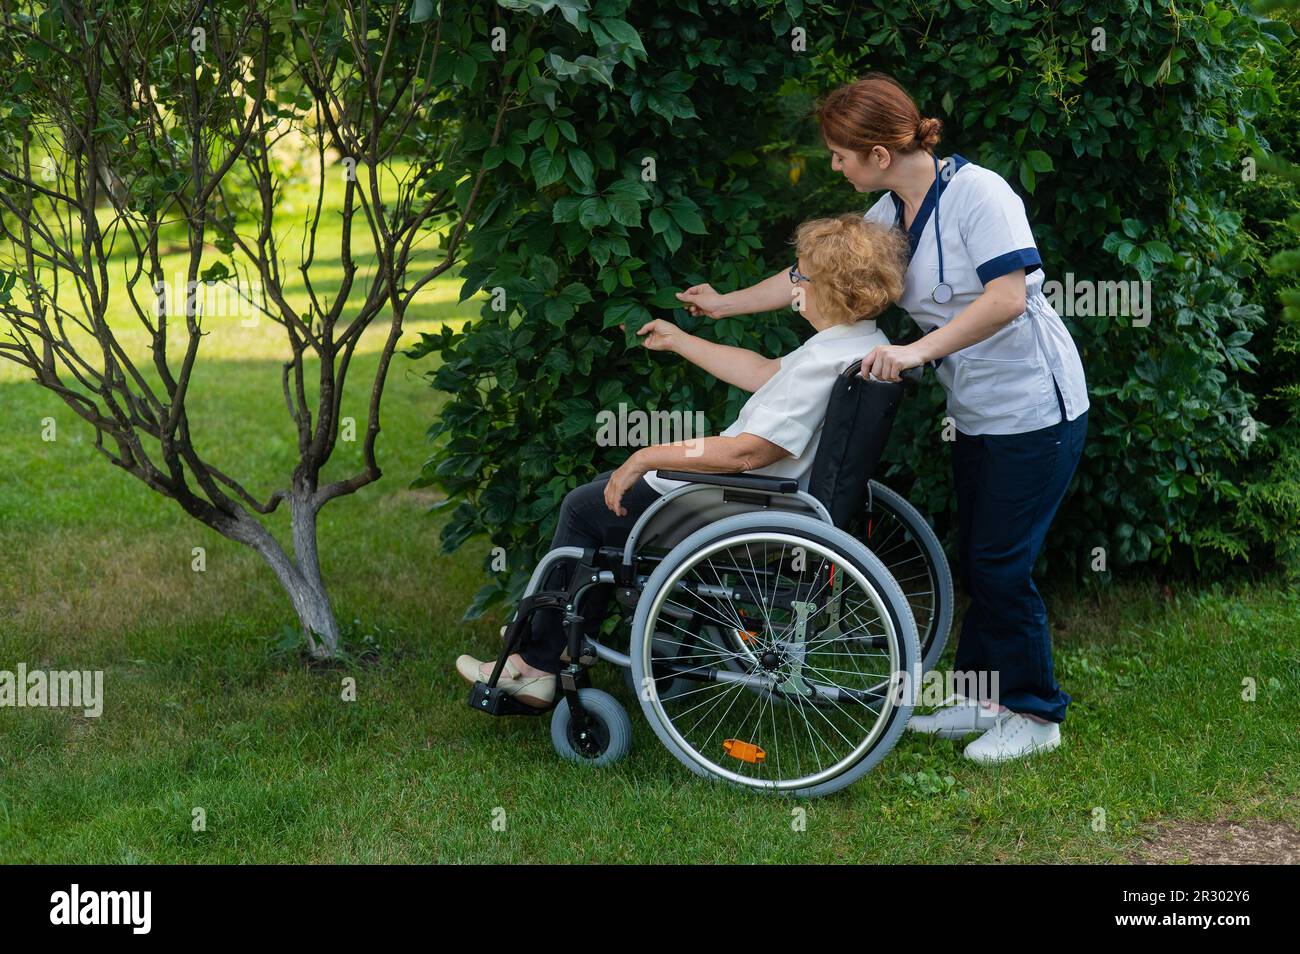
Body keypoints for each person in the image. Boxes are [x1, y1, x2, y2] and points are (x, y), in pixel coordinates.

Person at [676, 73, 1089, 765]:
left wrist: (914, 352)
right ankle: (983, 699)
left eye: (840, 152)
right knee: (979, 556)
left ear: (876, 151)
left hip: (1036, 409)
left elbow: (1008, 297)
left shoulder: (979, 195)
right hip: (979, 412)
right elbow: (809, 274)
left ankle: (1036, 712)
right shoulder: (891, 214)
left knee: (1001, 565)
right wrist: (722, 306)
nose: (833, 165)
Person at [455, 214, 909, 707]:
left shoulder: (825, 362)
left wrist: (647, 454)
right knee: (607, 503)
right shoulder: (861, 344)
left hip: (742, 502)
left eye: (800, 276)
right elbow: (763, 373)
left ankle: (536, 662)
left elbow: (746, 453)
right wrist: (680, 341)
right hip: (775, 499)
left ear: (831, 289)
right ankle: (555, 631)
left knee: (588, 508)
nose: (793, 283)